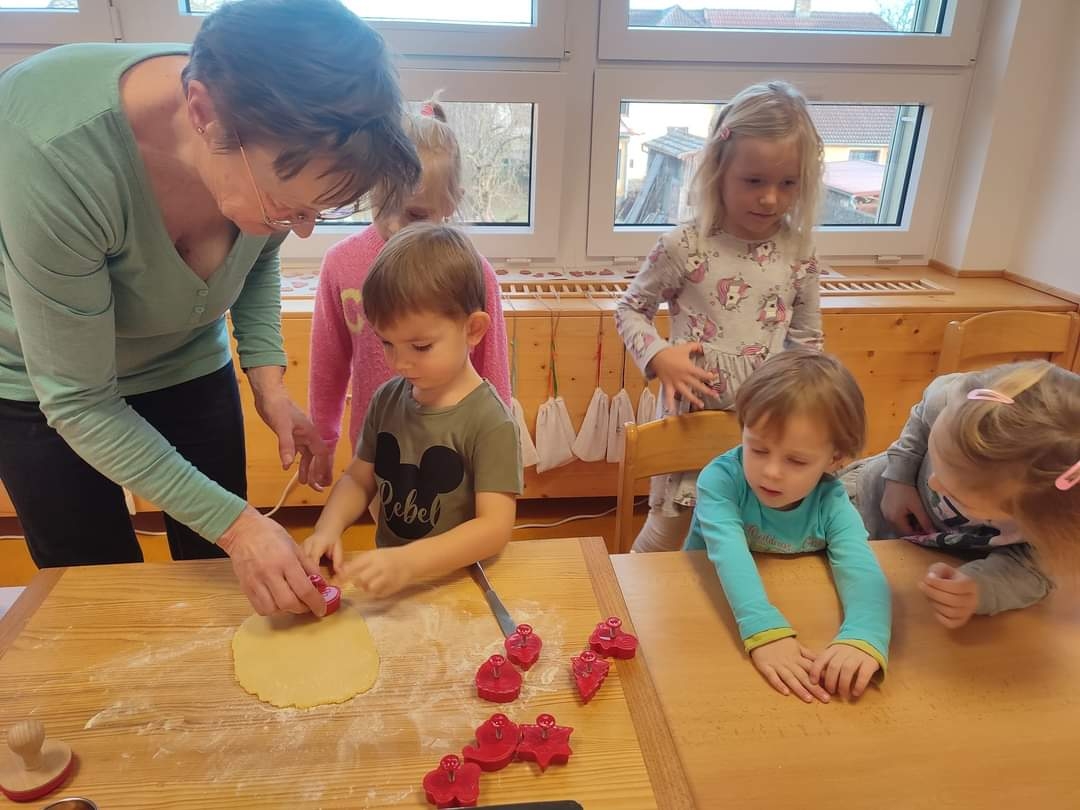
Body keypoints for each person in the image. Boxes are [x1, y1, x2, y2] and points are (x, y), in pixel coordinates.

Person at [0, 0, 421, 618]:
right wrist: (241, 527)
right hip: (43, 389)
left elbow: (257, 257)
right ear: (202, 113)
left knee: (218, 577)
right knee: (96, 588)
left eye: (316, 212)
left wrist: (269, 385)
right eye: (286, 206)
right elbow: (79, 401)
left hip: (187, 360)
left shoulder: (264, 145)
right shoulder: (54, 150)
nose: (302, 230)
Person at [616, 80, 825, 554]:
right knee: (668, 536)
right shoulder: (683, 246)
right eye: (753, 181)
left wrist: (808, 417)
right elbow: (631, 309)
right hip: (693, 417)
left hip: (766, 425)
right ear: (719, 171)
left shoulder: (800, 252)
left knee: (743, 536)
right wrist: (659, 357)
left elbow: (808, 346)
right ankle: (627, 598)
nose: (770, 199)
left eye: (787, 183)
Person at [302, 223, 521, 597]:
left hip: (463, 586)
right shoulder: (386, 399)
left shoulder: (491, 421)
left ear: (473, 330)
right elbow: (358, 479)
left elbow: (494, 527)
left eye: (420, 347)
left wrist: (410, 562)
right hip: (398, 586)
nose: (399, 363)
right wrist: (327, 528)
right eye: (387, 343)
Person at [309, 94, 510, 474]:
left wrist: (496, 457)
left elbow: (493, 371)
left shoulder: (475, 273)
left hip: (454, 455)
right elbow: (328, 364)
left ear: (451, 203)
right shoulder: (341, 265)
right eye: (383, 204)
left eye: (415, 215)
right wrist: (323, 439)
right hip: (374, 456)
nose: (394, 226)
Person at [685, 348, 891, 703]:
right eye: (758, 450)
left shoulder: (831, 501)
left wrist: (864, 635)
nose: (771, 472)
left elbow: (861, 567)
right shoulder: (720, 481)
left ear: (836, 459)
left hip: (796, 607)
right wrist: (765, 630)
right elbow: (730, 557)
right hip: (702, 609)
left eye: (796, 460)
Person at [843, 360, 1080, 628]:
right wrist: (900, 476)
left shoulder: (1047, 521)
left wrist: (979, 587)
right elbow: (923, 415)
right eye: (937, 452)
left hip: (929, 561)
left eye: (958, 495)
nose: (933, 483)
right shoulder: (964, 400)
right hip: (867, 501)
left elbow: (1033, 571)